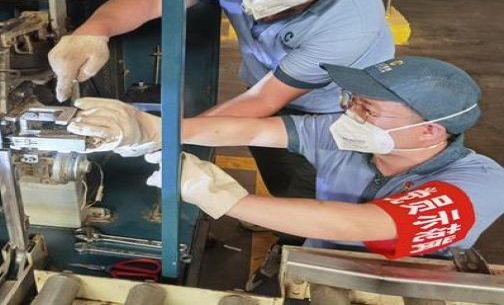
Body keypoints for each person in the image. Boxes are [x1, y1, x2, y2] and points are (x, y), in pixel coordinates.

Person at [48, 0, 395, 253]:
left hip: (332, 111)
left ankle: (297, 248)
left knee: (312, 188)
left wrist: (160, 133)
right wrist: (93, 32)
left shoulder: (350, 25)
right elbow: (150, 0)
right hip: (265, 86)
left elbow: (265, 100)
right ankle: (277, 216)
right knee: (275, 167)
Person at [67, 56, 504, 267]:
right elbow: (253, 130)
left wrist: (224, 198)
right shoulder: (345, 133)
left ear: (430, 131)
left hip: (395, 286)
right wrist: (154, 129)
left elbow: (365, 224)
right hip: (315, 266)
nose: (351, 114)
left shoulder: (482, 184)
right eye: (352, 100)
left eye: (368, 109)